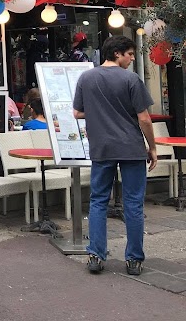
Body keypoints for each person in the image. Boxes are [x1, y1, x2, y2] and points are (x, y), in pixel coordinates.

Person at [73, 35, 156, 276]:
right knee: (133, 202)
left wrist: (99, 113)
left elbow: (77, 113)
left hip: (102, 147)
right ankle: (134, 259)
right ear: (117, 53)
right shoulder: (131, 79)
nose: (132, 59)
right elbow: (144, 118)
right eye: (129, 54)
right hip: (131, 147)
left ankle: (96, 255)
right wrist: (152, 147)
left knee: (98, 200)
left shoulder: (86, 78)